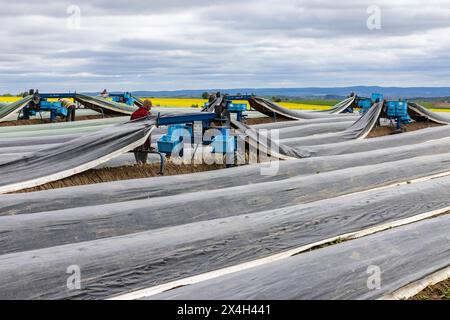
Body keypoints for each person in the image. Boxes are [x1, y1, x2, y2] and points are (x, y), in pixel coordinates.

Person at [131, 99, 152, 164]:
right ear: (148, 105)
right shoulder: (147, 114)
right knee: (143, 158)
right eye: (150, 106)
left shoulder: (134, 113)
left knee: (137, 152)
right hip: (144, 138)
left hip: (135, 137)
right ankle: (142, 166)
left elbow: (130, 125)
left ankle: (138, 164)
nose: (150, 108)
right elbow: (149, 126)